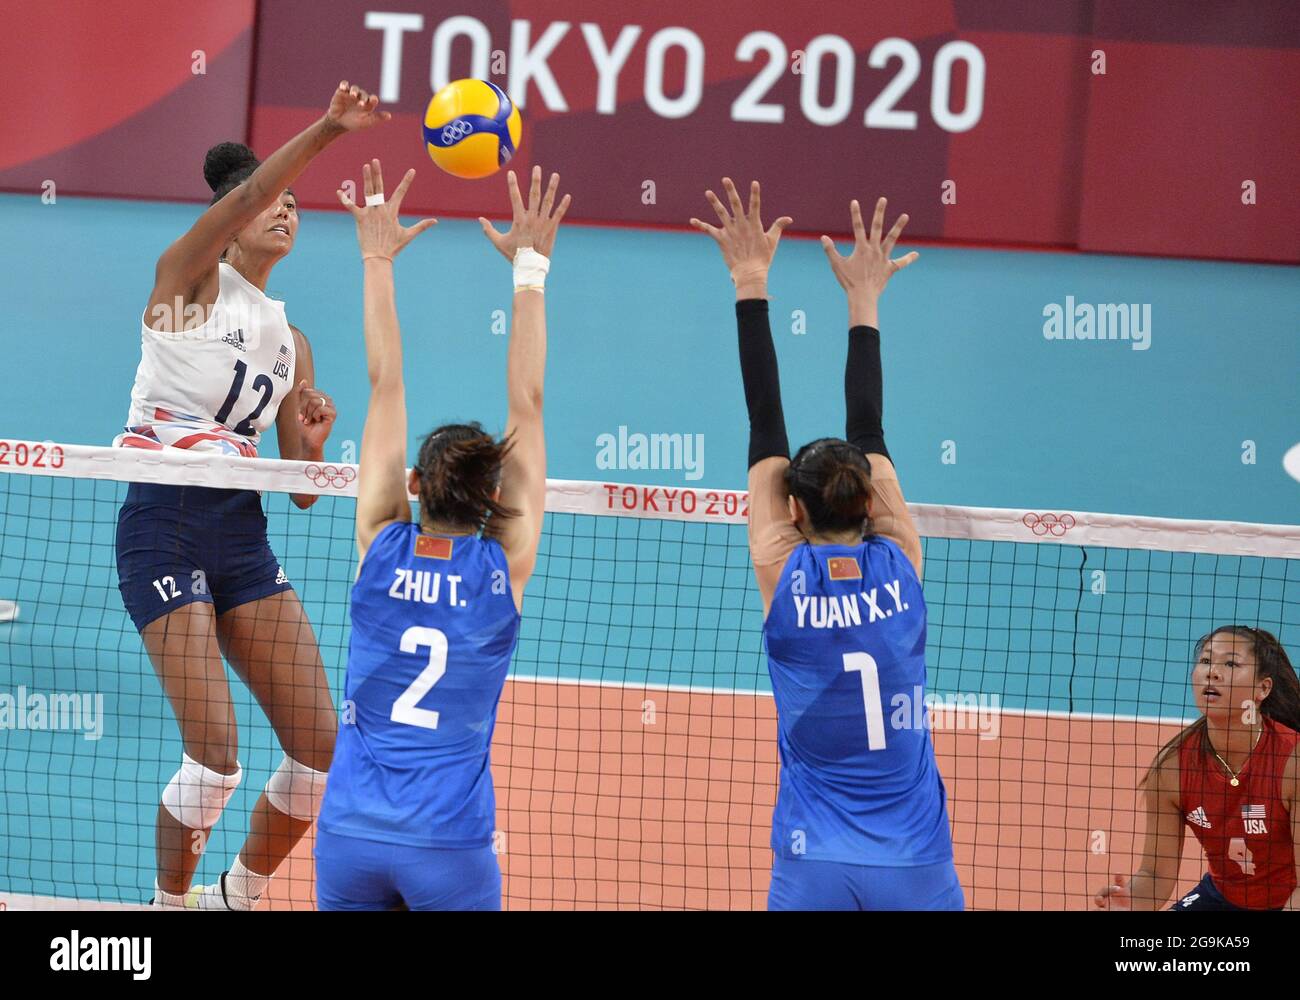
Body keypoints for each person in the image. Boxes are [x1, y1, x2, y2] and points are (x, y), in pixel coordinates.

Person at [114, 82, 389, 909]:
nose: (287, 211)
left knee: (320, 748)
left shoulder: (290, 339)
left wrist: (310, 446)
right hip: (163, 524)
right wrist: (329, 128)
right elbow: (252, 191)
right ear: (238, 213)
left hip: (242, 537)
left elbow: (300, 492)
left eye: (297, 206)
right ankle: (170, 906)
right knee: (216, 755)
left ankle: (240, 892)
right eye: (274, 200)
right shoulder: (185, 281)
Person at [691, 180, 963, 910]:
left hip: (815, 861)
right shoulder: (901, 555)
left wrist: (751, 281)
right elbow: (868, 431)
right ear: (872, 504)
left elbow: (763, 421)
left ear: (794, 510)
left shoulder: (781, 567)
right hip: (916, 862)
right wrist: (864, 300)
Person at [313, 162, 568, 910]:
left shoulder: (378, 541)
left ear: (413, 487)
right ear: (495, 496)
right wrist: (529, 266)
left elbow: (384, 383)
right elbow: (529, 400)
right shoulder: (502, 568)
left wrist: (377, 257)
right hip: (448, 850)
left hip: (350, 838)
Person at [1094, 626, 1300, 910]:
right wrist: (1130, 903)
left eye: (1230, 663)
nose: (1212, 672)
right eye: (1205, 661)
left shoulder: (1293, 763)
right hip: (1223, 897)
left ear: (1262, 688)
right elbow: (1155, 875)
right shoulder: (1172, 769)